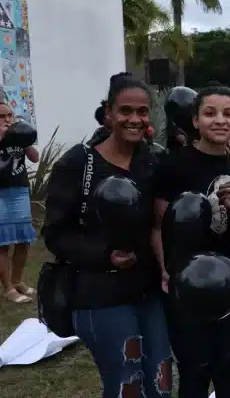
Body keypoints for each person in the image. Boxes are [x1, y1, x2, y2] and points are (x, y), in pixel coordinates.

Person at [42, 74, 171, 397]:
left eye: (142, 112)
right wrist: (104, 255)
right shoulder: (78, 163)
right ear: (109, 113)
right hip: (99, 296)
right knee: (127, 386)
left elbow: (162, 221)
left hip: (148, 293)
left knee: (161, 383)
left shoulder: (154, 160)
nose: (134, 119)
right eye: (125, 110)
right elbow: (56, 234)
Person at [152, 85, 230, 398]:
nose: (220, 120)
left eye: (228, 113)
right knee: (195, 367)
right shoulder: (173, 166)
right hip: (187, 283)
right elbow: (159, 225)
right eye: (210, 113)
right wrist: (166, 269)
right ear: (195, 121)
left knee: (229, 363)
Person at [0, 103, 39, 304]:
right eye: (2, 116)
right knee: (3, 243)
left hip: (20, 190)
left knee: (24, 240)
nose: (7, 120)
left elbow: (35, 158)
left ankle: (17, 281)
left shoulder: (18, 134)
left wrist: (24, 140)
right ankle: (8, 289)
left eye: (10, 115)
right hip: (1, 193)